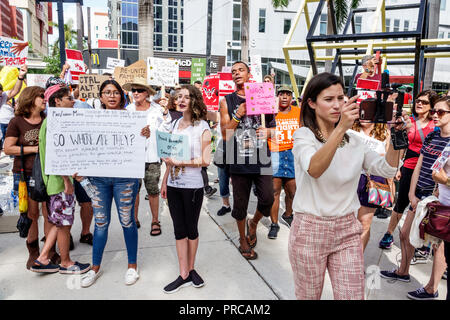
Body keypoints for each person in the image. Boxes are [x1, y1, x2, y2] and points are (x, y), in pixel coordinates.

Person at [289, 72, 407, 300]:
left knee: (352, 295)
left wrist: (396, 139)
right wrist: (342, 128)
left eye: (341, 98)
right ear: (311, 103)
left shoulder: (354, 140)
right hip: (309, 230)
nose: (337, 105)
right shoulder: (304, 136)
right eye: (329, 99)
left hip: (347, 230)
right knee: (308, 296)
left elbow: (387, 169)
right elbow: (314, 168)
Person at [78, 80, 142, 287]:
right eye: (107, 92)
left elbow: (140, 145)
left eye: (115, 92)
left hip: (125, 178)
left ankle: (132, 266)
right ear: (101, 97)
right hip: (98, 179)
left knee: (127, 221)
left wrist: (145, 135)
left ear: (121, 96)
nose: (112, 96)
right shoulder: (91, 119)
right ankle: (95, 267)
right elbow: (83, 144)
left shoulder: (132, 119)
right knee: (101, 223)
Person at [380, 97, 450, 285]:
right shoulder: (432, 136)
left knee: (438, 246)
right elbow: (419, 165)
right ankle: (403, 271)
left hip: (438, 197)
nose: (435, 114)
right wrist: (412, 193)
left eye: (441, 112)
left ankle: (431, 287)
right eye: (434, 111)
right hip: (419, 191)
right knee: (405, 234)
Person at [30, 85, 91, 274]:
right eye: (69, 98)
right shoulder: (55, 123)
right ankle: (65, 262)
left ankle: (42, 258)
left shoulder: (49, 122)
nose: (73, 101)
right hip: (59, 183)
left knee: (59, 221)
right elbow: (58, 156)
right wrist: (66, 181)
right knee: (64, 224)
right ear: (57, 101)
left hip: (54, 182)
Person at [220, 61, 276, 260]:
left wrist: (268, 131)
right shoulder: (227, 101)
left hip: (261, 157)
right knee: (240, 204)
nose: (236, 74)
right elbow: (225, 134)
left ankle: (254, 224)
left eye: (240, 70)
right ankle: (243, 239)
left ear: (249, 73)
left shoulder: (263, 95)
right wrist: (238, 114)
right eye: (233, 72)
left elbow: (274, 129)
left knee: (268, 198)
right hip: (239, 159)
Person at [160, 84, 211, 293]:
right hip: (173, 185)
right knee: (178, 230)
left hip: (192, 187)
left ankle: (191, 269)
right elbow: (170, 160)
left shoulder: (203, 127)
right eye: (178, 97)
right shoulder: (174, 124)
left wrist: (182, 162)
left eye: (186, 97)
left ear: (194, 101)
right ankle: (183, 274)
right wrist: (164, 181)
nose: (181, 100)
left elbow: (206, 160)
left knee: (191, 230)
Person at [4, 85, 59, 269]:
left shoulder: (48, 119)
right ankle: (33, 251)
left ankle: (50, 251)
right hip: (24, 175)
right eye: (41, 96)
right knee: (32, 214)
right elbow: (8, 148)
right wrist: (34, 149)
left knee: (49, 214)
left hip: (47, 173)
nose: (45, 99)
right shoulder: (17, 122)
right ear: (30, 98)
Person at [379, 90, 437, 250]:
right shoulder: (409, 121)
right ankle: (389, 233)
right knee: (401, 202)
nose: (419, 103)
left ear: (432, 106)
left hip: (427, 170)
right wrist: (399, 166)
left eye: (424, 102)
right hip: (409, 166)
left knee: (426, 205)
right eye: (418, 101)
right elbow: (401, 146)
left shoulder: (436, 125)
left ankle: (424, 240)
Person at [124, 77, 171, 236]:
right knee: (133, 190)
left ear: (147, 93)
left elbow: (165, 130)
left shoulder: (156, 110)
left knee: (152, 190)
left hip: (151, 157)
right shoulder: (128, 110)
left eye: (139, 90)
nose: (136, 93)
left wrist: (164, 114)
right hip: (133, 157)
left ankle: (155, 220)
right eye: (134, 90)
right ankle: (134, 218)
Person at [351, 120, 390, 251]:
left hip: (374, 179)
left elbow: (390, 161)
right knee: (347, 222)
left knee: (364, 223)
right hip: (352, 176)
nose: (364, 114)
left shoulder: (385, 133)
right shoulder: (350, 129)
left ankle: (358, 260)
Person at [267, 85, 300, 237]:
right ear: (277, 96)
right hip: (275, 153)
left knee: (292, 191)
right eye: (281, 94)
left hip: (293, 154)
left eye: (287, 94)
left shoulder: (298, 112)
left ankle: (288, 214)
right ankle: (274, 223)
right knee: (274, 191)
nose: (284, 97)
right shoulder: (270, 113)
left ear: (291, 97)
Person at [0, 65, 28, 150]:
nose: (0, 96)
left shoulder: (1, 98)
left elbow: (15, 91)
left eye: (0, 94)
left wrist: (20, 76)